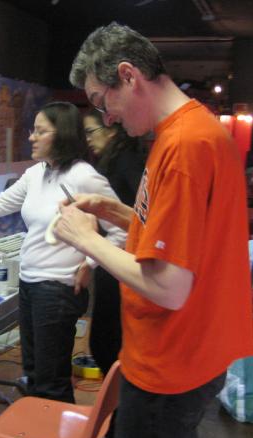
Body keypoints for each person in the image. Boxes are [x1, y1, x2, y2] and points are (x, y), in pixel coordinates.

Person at [56, 23, 253, 438]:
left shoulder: (184, 147)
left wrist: (87, 239)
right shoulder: (190, 130)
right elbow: (188, 236)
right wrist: (117, 212)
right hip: (191, 352)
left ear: (128, 76)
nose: (106, 119)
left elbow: (169, 287)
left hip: (172, 358)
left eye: (102, 101)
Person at [0, 102, 125, 408]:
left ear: (62, 134)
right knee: (33, 374)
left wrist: (90, 263)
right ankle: (36, 429)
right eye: (33, 130)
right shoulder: (35, 173)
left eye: (40, 131)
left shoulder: (84, 176)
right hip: (29, 285)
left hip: (58, 290)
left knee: (51, 381)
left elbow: (123, 229)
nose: (31, 137)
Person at [83, 109, 145, 375]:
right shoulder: (112, 160)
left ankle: (117, 386)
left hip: (122, 254)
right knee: (106, 333)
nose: (87, 139)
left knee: (109, 335)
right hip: (114, 253)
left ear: (110, 130)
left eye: (90, 132)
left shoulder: (126, 161)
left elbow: (141, 212)